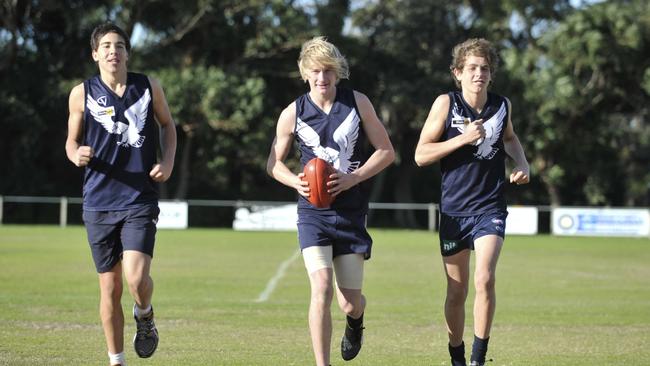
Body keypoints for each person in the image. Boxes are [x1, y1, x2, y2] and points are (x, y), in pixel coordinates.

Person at [267, 36, 394, 366]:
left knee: (349, 303)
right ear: (304, 74)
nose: (321, 78)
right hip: (313, 213)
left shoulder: (358, 103)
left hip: (350, 213)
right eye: (315, 72)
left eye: (327, 71)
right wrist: (296, 181)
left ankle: (355, 323)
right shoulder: (293, 112)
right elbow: (273, 164)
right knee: (321, 287)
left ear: (336, 73)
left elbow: (386, 152)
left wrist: (353, 178)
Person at [65, 22, 177, 366]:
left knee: (136, 277)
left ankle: (144, 313)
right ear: (95, 54)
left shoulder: (148, 87)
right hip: (98, 201)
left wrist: (168, 161)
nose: (114, 51)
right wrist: (74, 153)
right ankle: (117, 360)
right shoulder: (81, 93)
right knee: (109, 289)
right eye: (107, 46)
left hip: (139, 198)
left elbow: (168, 126)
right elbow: (70, 141)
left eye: (120, 45)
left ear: (127, 53)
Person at [414, 38, 530, 366]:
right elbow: (421, 155)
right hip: (453, 211)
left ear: (491, 75)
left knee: (485, 278)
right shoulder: (445, 104)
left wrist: (522, 163)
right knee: (456, 291)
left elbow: (509, 137)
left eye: (485, 69)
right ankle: (457, 355)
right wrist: (462, 139)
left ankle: (479, 358)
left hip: (489, 207)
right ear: (458, 73)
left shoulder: (502, 105)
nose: (479, 74)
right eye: (472, 68)